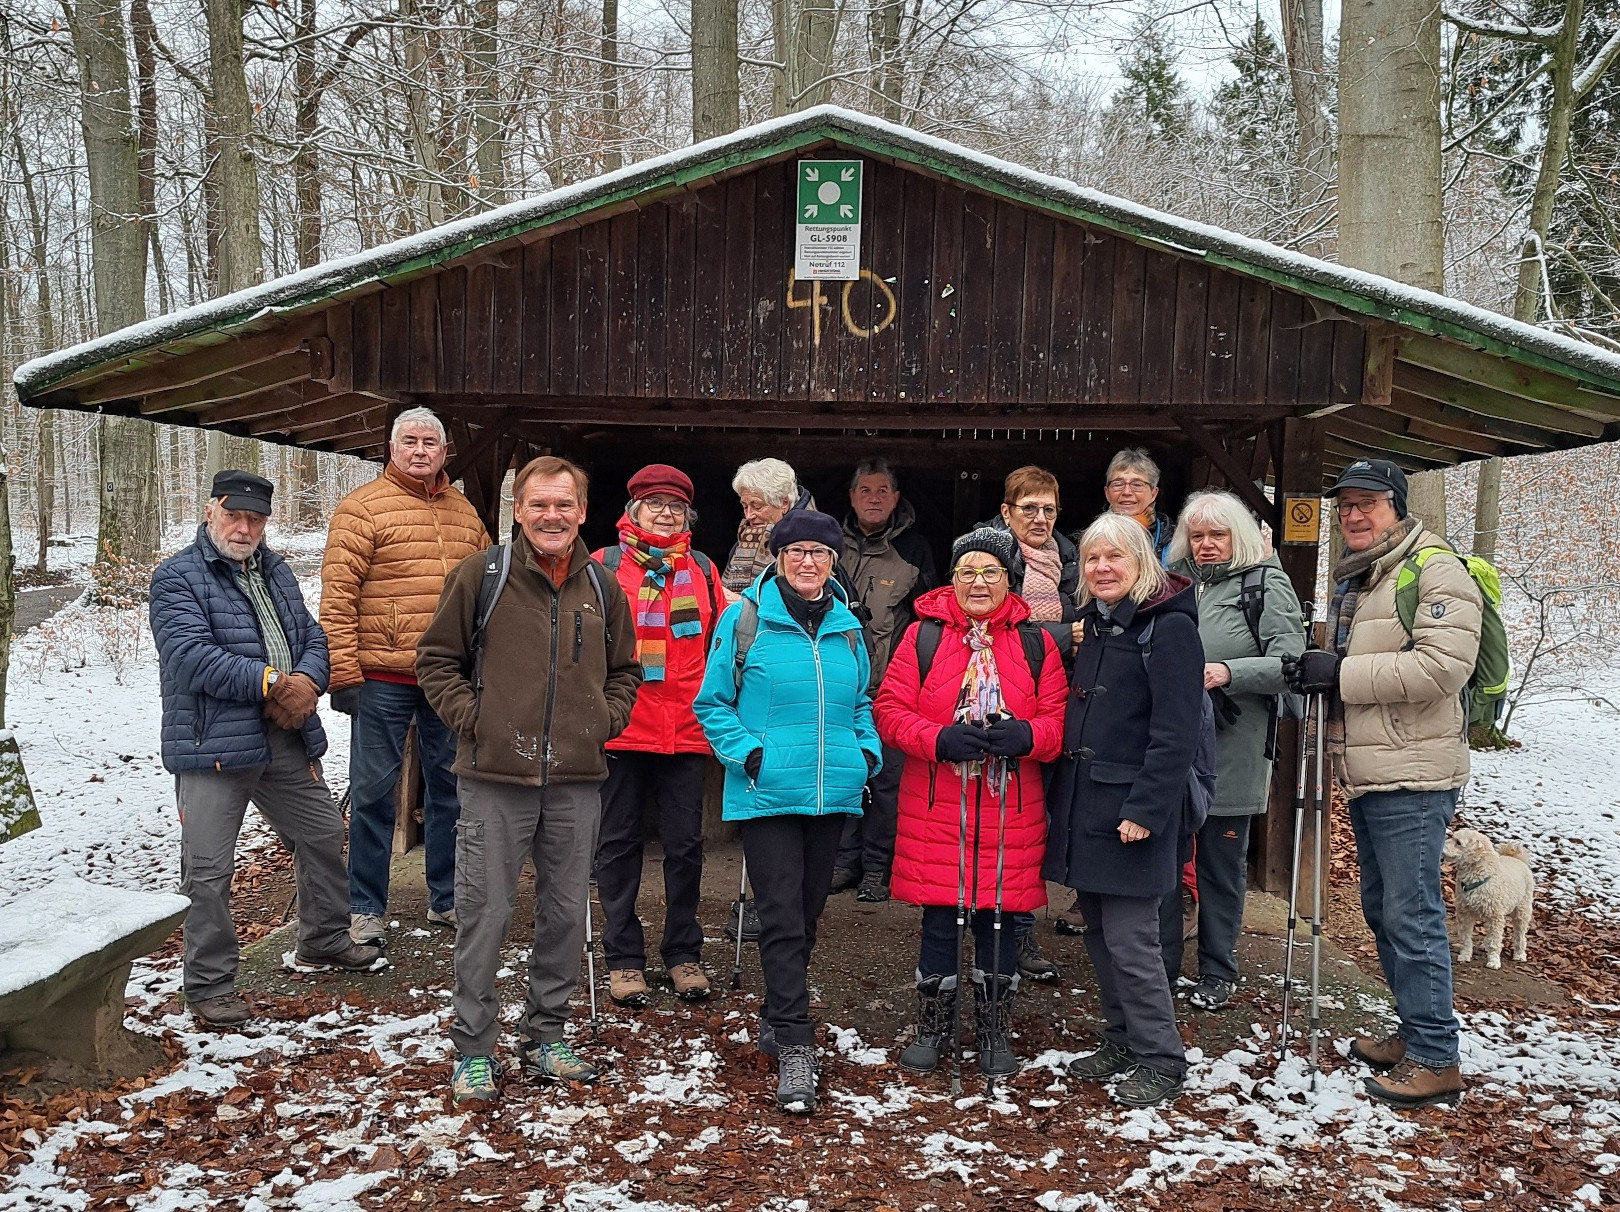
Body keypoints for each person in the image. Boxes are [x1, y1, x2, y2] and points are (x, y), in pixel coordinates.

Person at [416, 456, 642, 1105]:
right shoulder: (480, 576)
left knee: (567, 914)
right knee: (484, 915)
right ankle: (474, 1048)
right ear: (518, 510)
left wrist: (605, 720)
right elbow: (435, 659)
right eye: (539, 505)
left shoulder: (602, 587)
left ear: (581, 511)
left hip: (575, 777)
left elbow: (626, 669)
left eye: (564, 505)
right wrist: (475, 722)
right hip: (494, 775)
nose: (552, 516)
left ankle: (545, 1034)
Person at [150, 471, 384, 1028]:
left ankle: (323, 938)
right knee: (207, 869)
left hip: (282, 735)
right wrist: (275, 683)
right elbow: (190, 657)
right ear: (211, 511)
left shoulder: (274, 571)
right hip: (212, 744)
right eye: (235, 515)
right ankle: (208, 984)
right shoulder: (177, 577)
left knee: (323, 830)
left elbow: (313, 638)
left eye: (256, 518)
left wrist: (306, 682)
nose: (245, 527)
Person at [1286, 459, 1481, 1110]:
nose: (1354, 516)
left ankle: (1436, 1058)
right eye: (1345, 507)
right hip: (1376, 770)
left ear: (1397, 506)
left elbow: (1442, 666)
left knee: (1412, 913)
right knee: (1385, 910)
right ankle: (1413, 1032)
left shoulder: (1435, 569)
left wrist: (1338, 673)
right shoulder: (1370, 575)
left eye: (1368, 504)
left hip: (1415, 774)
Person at [692, 510, 881, 1114]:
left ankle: (779, 1011)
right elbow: (712, 702)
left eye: (819, 553)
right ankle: (796, 1042)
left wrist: (866, 753)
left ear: (833, 561)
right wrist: (748, 755)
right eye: (796, 551)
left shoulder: (850, 628)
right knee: (779, 914)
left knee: (807, 910)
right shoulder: (744, 620)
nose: (807, 562)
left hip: (831, 794)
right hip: (768, 793)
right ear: (777, 556)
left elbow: (861, 703)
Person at [873, 527, 1066, 1077]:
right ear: (952, 579)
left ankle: (992, 1028)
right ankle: (932, 1025)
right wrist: (937, 739)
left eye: (991, 572)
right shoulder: (921, 638)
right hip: (938, 805)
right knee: (940, 917)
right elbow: (889, 710)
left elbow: (1057, 724)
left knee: (1000, 920)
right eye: (967, 572)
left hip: (1011, 807)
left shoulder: (1036, 642)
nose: (978, 582)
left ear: (1010, 578)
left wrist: (1026, 737)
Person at [1045, 512, 1203, 1108]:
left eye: (1116, 557)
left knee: (1134, 940)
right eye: (1092, 558)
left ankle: (1161, 1057)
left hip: (1132, 812)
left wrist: (1147, 809)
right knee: (1099, 934)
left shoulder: (1169, 629)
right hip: (1086, 804)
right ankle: (1121, 1038)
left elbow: (1176, 732)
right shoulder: (1097, 625)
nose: (1102, 568)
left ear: (1142, 563)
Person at [320, 406, 490, 947]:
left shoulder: (464, 514)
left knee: (451, 789)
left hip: (447, 680)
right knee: (373, 792)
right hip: (381, 676)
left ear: (444, 452)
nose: (420, 450)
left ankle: (445, 897)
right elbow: (338, 596)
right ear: (392, 448)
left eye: (430, 443)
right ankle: (366, 906)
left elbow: (491, 591)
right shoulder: (361, 509)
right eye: (410, 441)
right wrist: (343, 672)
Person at [591, 464, 728, 1007]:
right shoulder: (603, 565)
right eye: (654, 504)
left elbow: (722, 642)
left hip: (686, 725)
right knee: (618, 842)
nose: (665, 512)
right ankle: (623, 958)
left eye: (674, 505)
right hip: (622, 724)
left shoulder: (701, 568)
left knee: (685, 845)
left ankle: (682, 953)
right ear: (633, 511)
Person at [1165, 491, 1305, 1011]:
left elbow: (1291, 663)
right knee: (1165, 861)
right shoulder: (1172, 582)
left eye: (1216, 535)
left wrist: (1228, 672)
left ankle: (1217, 969)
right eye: (1197, 536)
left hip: (1234, 745)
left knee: (1221, 866)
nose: (1205, 545)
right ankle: (1162, 965)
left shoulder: (1264, 584)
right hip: (1174, 747)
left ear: (1238, 537)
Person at [980, 465, 1084, 977]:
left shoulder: (1073, 560)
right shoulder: (985, 560)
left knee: (1035, 826)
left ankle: (1017, 932)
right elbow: (1000, 631)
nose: (1040, 518)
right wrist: (1067, 635)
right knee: (1002, 825)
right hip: (1000, 701)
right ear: (1006, 512)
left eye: (1049, 509)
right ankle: (995, 932)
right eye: (1029, 508)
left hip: (1056, 701)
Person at [835, 458, 938, 902]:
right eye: (865, 490)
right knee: (843, 776)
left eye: (882, 491)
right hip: (836, 686)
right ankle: (843, 862)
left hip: (891, 689)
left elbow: (928, 619)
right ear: (852, 497)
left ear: (896, 499)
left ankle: (878, 867)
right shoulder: (827, 545)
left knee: (887, 782)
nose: (874, 498)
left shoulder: (915, 549)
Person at [723, 457, 812, 594]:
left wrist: (745, 603)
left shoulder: (810, 541)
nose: (748, 516)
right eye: (745, 506)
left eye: (757, 506)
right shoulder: (746, 536)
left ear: (784, 504)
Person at [1104, 448, 1172, 567]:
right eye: (1118, 484)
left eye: (1137, 485)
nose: (1127, 492)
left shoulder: (1172, 539)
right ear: (1107, 493)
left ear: (1154, 493)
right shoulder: (1093, 538)